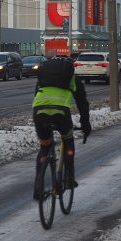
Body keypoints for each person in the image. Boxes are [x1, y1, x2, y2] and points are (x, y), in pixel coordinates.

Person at [31, 56, 91, 200]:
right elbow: (83, 104)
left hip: (39, 111)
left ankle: (38, 184)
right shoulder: (72, 79)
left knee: (45, 147)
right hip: (61, 114)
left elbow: (36, 96)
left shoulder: (43, 80)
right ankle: (69, 179)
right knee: (68, 140)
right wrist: (85, 124)